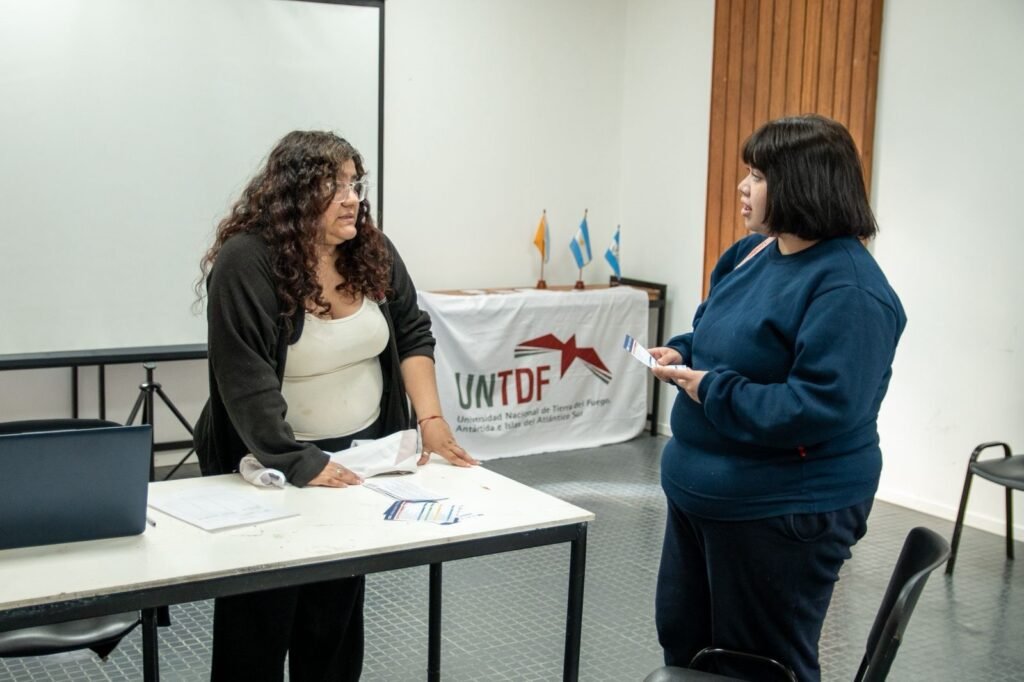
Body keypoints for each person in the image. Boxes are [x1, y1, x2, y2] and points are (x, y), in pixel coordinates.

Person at [193, 130, 477, 682]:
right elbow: (244, 377)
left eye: (354, 184)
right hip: (266, 461)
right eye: (334, 186)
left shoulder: (371, 249)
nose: (352, 199)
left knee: (334, 616)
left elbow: (412, 333)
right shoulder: (247, 260)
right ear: (295, 194)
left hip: (357, 459)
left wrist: (431, 421)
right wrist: (296, 460)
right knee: (260, 615)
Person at [648, 114, 906, 681]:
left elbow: (818, 407)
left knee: (757, 666)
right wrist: (682, 352)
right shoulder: (749, 254)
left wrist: (712, 388)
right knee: (687, 645)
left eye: (759, 176)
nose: (743, 187)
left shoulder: (850, 289)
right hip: (701, 500)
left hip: (781, 512)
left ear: (801, 184)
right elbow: (716, 334)